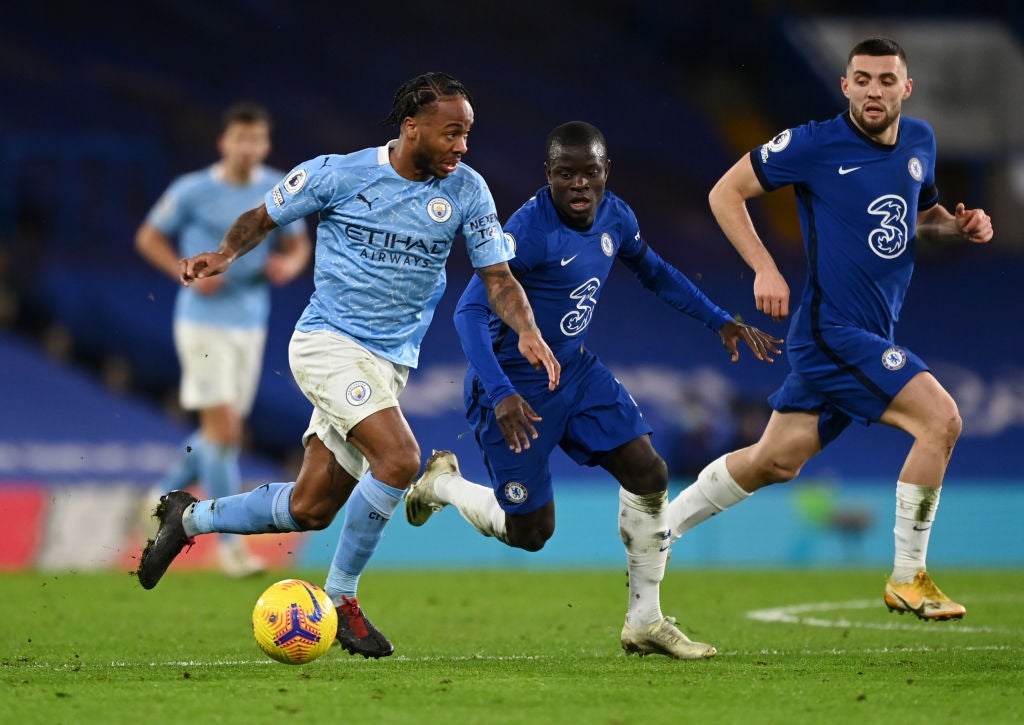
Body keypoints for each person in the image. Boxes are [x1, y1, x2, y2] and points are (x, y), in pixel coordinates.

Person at [135, 72, 561, 660]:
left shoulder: (467, 191)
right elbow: (262, 216)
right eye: (452, 133)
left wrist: (529, 329)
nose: (462, 146)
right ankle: (340, 600)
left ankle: (190, 518)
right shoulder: (338, 173)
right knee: (401, 458)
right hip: (326, 344)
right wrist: (224, 255)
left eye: (468, 134)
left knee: (311, 506)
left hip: (389, 364)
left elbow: (498, 279)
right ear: (412, 127)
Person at [404, 121, 781, 659]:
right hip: (514, 389)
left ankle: (645, 620)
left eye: (590, 173)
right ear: (548, 176)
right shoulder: (526, 233)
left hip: (577, 374)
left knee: (648, 470)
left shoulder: (616, 216)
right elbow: (468, 311)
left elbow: (655, 272)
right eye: (566, 174)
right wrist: (502, 391)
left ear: (607, 171)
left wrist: (720, 320)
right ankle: (442, 484)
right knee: (531, 533)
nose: (579, 185)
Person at [664, 37, 993, 621]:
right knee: (941, 421)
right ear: (845, 86)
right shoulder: (815, 143)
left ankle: (656, 530)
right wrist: (764, 266)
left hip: (872, 332)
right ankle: (907, 577)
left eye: (885, 80)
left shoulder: (920, 141)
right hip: (831, 332)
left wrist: (960, 228)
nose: (873, 90)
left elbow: (919, 222)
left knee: (775, 460)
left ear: (905, 89)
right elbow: (725, 192)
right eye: (861, 79)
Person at [135, 102, 312, 577]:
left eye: (256, 140)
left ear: (266, 145)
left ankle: (159, 502)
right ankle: (231, 549)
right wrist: (181, 272)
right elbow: (149, 237)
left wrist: (289, 265)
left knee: (218, 434)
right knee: (227, 431)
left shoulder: (276, 190)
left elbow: (298, 245)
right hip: (202, 321)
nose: (248, 147)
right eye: (240, 138)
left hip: (251, 323)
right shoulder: (192, 189)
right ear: (224, 142)